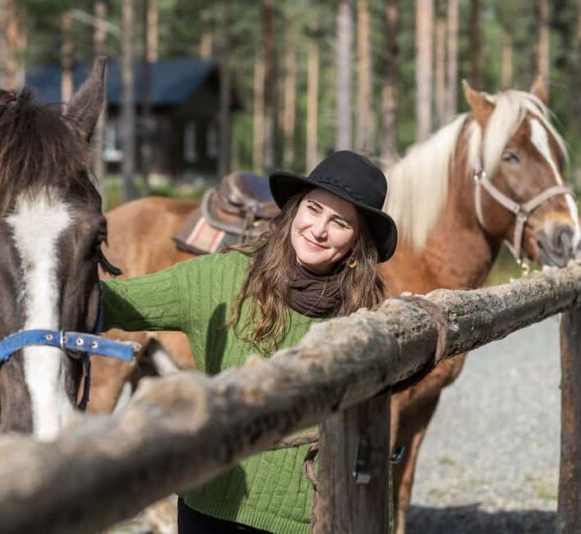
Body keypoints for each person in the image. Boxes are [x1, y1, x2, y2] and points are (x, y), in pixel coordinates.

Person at [101, 150, 397, 533]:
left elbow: (371, 443)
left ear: (358, 241)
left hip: (312, 520)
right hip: (211, 511)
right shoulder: (222, 278)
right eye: (313, 209)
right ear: (294, 210)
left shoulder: (367, 316)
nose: (319, 229)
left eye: (339, 222)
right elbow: (114, 302)